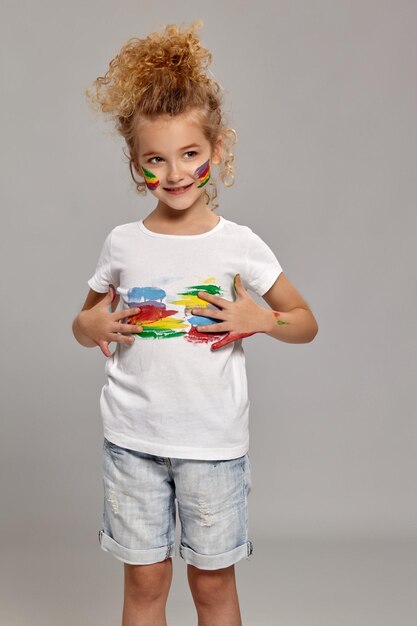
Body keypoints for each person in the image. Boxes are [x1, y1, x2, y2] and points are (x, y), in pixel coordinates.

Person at [72, 20, 318, 626]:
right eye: (156, 159)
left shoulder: (240, 244)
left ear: (217, 152)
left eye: (190, 154)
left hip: (212, 447)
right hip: (132, 443)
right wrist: (95, 328)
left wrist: (259, 317)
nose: (175, 173)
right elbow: (82, 322)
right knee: (145, 585)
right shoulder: (122, 243)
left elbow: (305, 322)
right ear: (136, 165)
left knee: (211, 587)